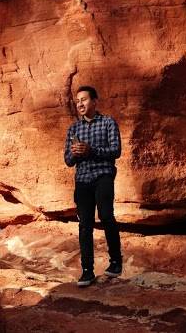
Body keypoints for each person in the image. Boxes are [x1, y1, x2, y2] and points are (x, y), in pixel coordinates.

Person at [64, 85, 123, 287]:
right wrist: (76, 152)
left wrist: (91, 150)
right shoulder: (74, 128)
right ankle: (87, 271)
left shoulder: (108, 122)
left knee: (106, 215)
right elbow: (68, 160)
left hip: (103, 175)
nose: (80, 104)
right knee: (85, 224)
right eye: (77, 101)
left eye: (84, 100)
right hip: (82, 179)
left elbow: (116, 151)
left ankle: (116, 262)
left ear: (95, 101)